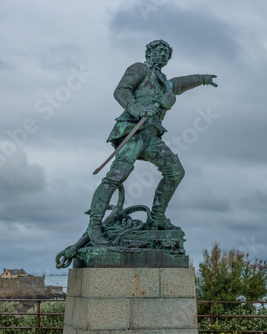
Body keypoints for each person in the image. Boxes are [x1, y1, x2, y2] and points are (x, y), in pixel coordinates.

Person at [88, 40, 217, 246]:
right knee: (116, 176)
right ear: (149, 52)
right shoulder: (139, 68)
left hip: (151, 136)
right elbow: (121, 91)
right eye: (160, 50)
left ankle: (157, 217)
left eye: (167, 52)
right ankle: (94, 225)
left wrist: (201, 79)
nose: (164, 54)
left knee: (175, 172)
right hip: (134, 130)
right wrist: (137, 108)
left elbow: (180, 83)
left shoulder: (165, 83)